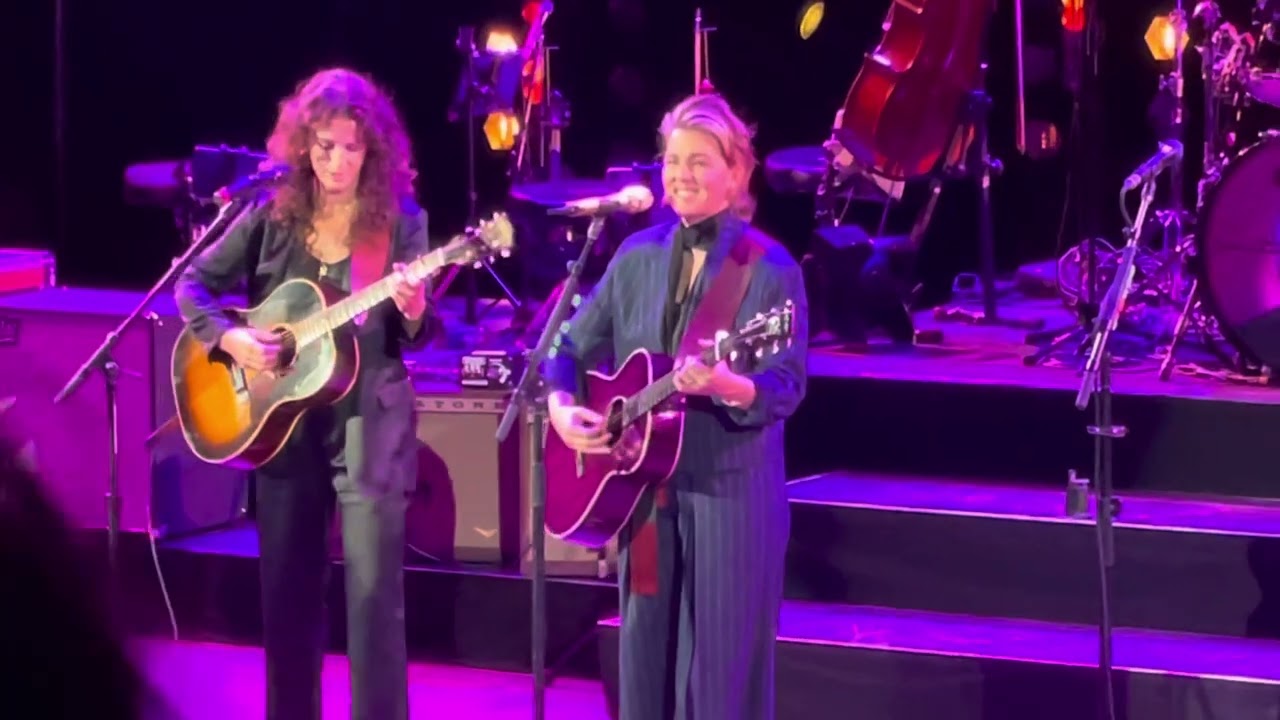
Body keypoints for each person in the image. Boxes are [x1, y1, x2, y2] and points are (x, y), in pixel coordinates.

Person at [174, 67, 436, 720]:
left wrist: (412, 307)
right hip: (281, 426)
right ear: (302, 145)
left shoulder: (401, 221)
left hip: (367, 422)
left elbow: (416, 332)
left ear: (373, 152)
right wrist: (229, 338)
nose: (337, 161)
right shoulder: (272, 210)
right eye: (324, 147)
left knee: (373, 603)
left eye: (351, 148)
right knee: (287, 600)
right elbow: (192, 283)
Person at [544, 93, 809, 719]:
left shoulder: (768, 267)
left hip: (729, 490)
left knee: (722, 666)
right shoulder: (636, 255)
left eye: (699, 161)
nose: (680, 174)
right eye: (671, 160)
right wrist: (561, 406)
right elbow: (568, 346)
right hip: (642, 492)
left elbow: (785, 385)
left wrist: (725, 384)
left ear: (737, 173)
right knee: (644, 652)